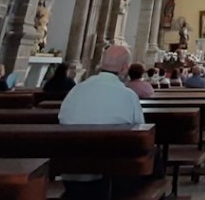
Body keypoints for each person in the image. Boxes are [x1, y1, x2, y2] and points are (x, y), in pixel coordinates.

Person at [58, 43, 144, 198]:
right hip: (111, 169)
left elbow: (62, 118)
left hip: (72, 165)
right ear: (124, 68)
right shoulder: (128, 95)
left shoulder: (77, 90)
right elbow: (141, 132)